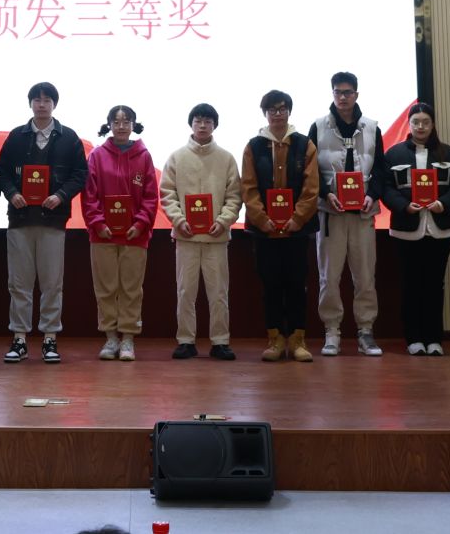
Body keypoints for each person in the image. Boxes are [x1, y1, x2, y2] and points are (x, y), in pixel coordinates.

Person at [0, 81, 88, 363]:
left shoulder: (69, 137)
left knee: (52, 283)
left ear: (54, 104)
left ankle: (50, 338)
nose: (41, 104)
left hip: (53, 221)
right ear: (30, 104)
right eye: (37, 100)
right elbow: (2, 172)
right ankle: (20, 339)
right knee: (19, 283)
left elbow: (80, 175)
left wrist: (60, 196)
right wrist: (11, 193)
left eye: (47, 100)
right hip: (20, 220)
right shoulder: (17, 136)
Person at [308, 72, 385, 357]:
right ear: (332, 94)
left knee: (365, 276)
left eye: (348, 92)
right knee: (329, 276)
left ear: (356, 94)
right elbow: (309, 170)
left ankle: (365, 331)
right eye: (338, 92)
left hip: (363, 213)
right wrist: (325, 193)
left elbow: (381, 169)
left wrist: (372, 194)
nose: (343, 97)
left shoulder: (371, 127)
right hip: (331, 214)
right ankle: (332, 331)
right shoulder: (318, 126)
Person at [241, 89, 321, 362]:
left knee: (297, 285)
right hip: (264, 233)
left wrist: (297, 219)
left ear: (289, 111)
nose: (278, 114)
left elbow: (311, 188)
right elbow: (248, 187)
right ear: (265, 113)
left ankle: (297, 341)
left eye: (282, 108)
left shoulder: (305, 144)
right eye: (272, 109)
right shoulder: (253, 146)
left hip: (297, 231)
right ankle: (275, 340)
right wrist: (262, 219)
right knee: (271, 286)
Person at [380, 101, 450, 355]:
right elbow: (385, 187)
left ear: (433, 124)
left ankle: (434, 339)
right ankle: (414, 339)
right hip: (406, 229)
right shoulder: (393, 154)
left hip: (440, 229)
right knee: (410, 284)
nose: (420, 127)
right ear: (409, 124)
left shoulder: (448, 154)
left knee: (435, 285)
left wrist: (443, 204)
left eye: (425, 122)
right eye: (416, 122)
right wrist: (404, 206)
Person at [161, 102, 243, 360]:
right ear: (191, 124)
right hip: (186, 236)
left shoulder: (226, 158)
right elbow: (167, 194)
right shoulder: (176, 157)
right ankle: (186, 340)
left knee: (218, 292)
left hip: (216, 237)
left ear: (214, 125)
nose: (203, 125)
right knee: (185, 291)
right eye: (198, 120)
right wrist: (178, 220)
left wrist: (224, 220)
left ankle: (220, 341)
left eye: (208, 121)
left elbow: (234, 196)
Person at [84, 104, 159, 361]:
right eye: (116, 122)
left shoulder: (144, 156)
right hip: (102, 235)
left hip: (135, 235)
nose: (121, 126)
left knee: (131, 288)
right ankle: (110, 338)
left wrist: (140, 224)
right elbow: (89, 195)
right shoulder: (97, 155)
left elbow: (151, 196)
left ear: (133, 125)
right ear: (109, 125)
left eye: (126, 121)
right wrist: (98, 224)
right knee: (105, 288)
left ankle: (128, 338)